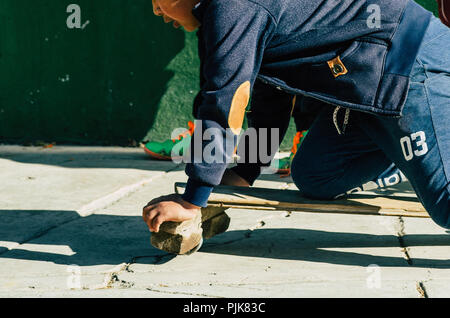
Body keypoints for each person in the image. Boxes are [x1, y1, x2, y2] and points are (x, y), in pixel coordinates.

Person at [143, 0, 450, 234]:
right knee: (316, 175)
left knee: (445, 207)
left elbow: (225, 101)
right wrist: (246, 171)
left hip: (408, 66)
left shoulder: (231, 8)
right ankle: (410, 152)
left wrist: (192, 198)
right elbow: (269, 92)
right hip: (366, 90)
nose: (156, 10)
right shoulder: (232, 11)